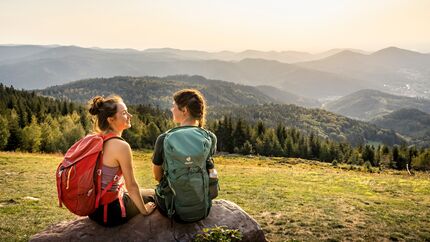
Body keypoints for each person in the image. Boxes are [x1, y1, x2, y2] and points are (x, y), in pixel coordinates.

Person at [87, 95, 156, 226]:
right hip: (110, 212)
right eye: (124, 113)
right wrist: (144, 211)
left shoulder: (96, 139)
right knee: (155, 197)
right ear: (111, 119)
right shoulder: (121, 146)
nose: (130, 115)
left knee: (147, 192)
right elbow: (132, 186)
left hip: (93, 209)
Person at [152, 89, 217, 222]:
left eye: (173, 106)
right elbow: (210, 169)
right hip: (203, 208)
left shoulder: (164, 139)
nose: (171, 109)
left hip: (173, 210)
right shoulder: (210, 137)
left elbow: (157, 176)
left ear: (184, 110)